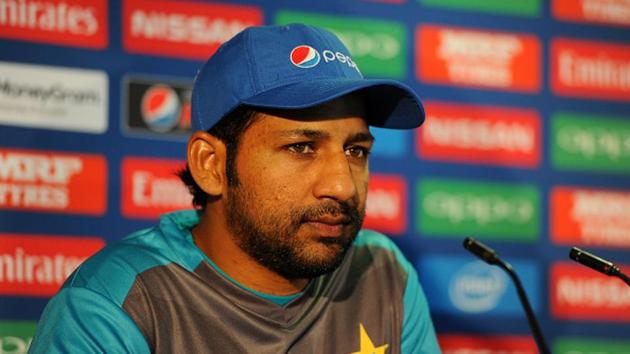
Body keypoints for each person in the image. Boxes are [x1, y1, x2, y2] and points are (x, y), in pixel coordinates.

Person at [29, 24, 441, 353]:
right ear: (211, 165)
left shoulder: (383, 272)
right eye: (300, 147)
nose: (342, 185)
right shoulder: (117, 304)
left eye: (355, 151)